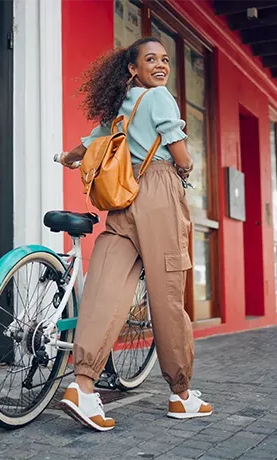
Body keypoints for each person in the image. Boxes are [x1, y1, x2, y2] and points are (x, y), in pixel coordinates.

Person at [55, 37, 212, 432]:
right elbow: (181, 154)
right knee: (167, 295)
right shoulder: (160, 98)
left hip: (122, 200)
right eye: (151, 59)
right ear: (132, 68)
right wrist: (186, 167)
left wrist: (65, 158)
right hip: (158, 194)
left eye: (165, 60)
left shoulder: (119, 108)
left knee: (104, 290)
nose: (161, 66)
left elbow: (86, 146)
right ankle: (181, 394)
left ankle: (83, 386)